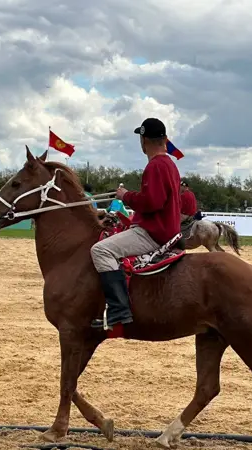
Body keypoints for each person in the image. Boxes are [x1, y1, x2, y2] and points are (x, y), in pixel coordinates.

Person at [89, 118, 181, 330]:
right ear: (165, 140)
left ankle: (119, 310)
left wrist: (125, 196)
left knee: (100, 250)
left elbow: (152, 202)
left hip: (153, 232)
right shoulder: (169, 164)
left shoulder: (156, 165)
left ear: (143, 141)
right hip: (165, 230)